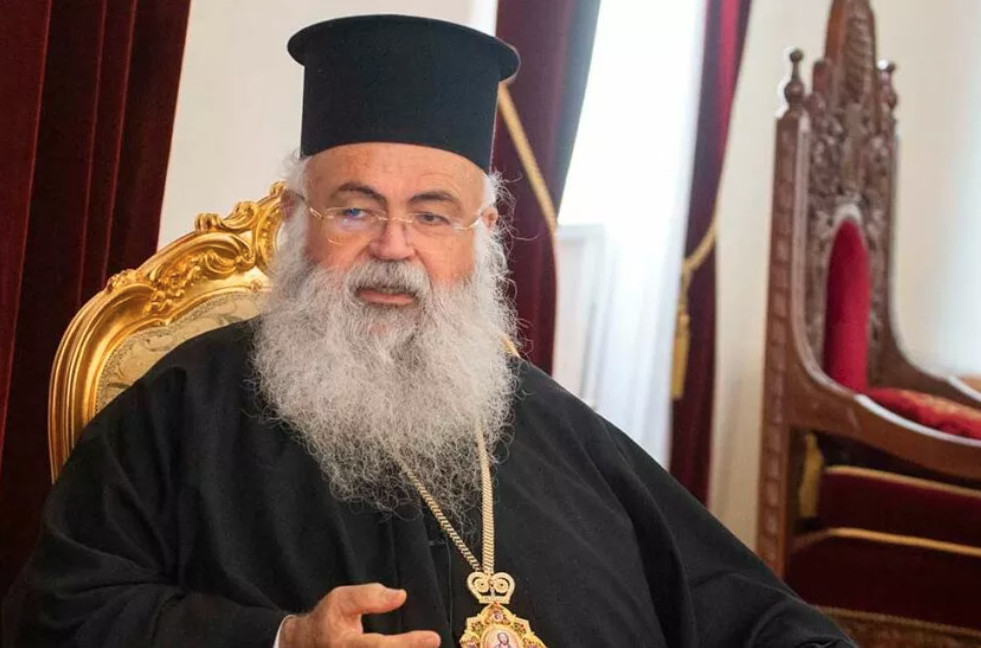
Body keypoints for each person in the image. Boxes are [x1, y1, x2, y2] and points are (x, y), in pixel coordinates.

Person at [3, 14, 855, 648]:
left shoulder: (549, 419)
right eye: (355, 209)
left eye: (432, 214)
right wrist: (281, 639)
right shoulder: (181, 406)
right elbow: (61, 614)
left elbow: (731, 600)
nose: (393, 247)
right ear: (297, 220)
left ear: (481, 235)